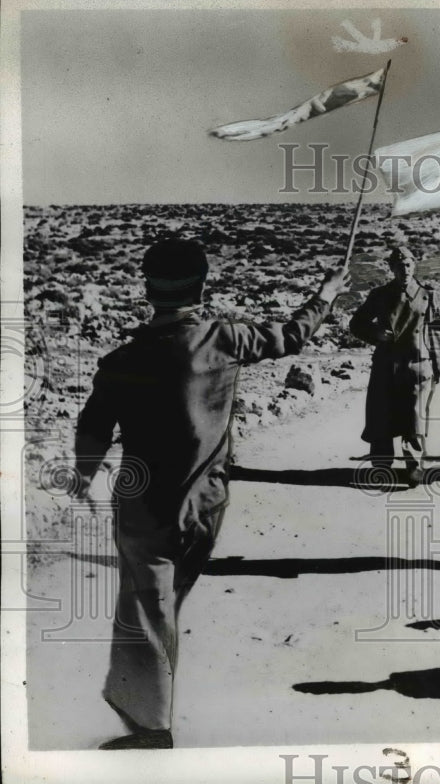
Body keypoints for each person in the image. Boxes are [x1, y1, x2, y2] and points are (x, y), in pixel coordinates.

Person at [72, 238, 350, 749]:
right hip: (207, 505)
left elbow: (92, 430)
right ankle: (146, 705)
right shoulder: (226, 338)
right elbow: (291, 337)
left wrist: (82, 480)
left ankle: (151, 728)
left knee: (149, 612)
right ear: (203, 287)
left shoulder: (119, 361)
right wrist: (326, 294)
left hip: (145, 511)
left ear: (147, 289)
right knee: (165, 608)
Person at [350, 246, 440, 486]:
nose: (404, 269)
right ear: (391, 268)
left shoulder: (427, 295)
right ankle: (381, 465)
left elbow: (435, 330)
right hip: (387, 364)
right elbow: (357, 323)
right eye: (399, 265)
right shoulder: (380, 295)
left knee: (415, 417)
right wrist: (376, 333)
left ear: (414, 266)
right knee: (382, 414)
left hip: (418, 364)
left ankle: (414, 466)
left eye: (408, 265)